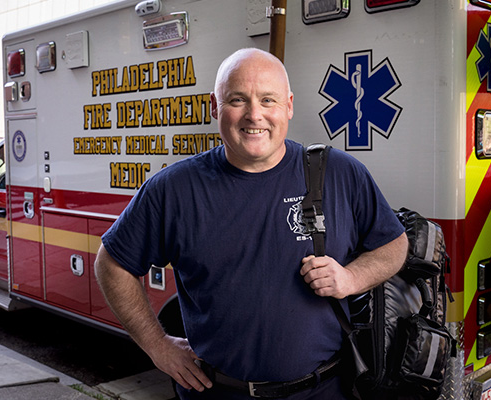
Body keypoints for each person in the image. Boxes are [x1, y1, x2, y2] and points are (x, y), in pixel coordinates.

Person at [94, 48, 408, 399]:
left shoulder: (340, 174)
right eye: (237, 100)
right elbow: (111, 263)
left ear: (288, 106)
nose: (254, 115)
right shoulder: (173, 189)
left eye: (268, 100)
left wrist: (352, 277)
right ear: (215, 107)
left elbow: (393, 244)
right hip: (217, 393)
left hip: (324, 390)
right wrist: (157, 345)